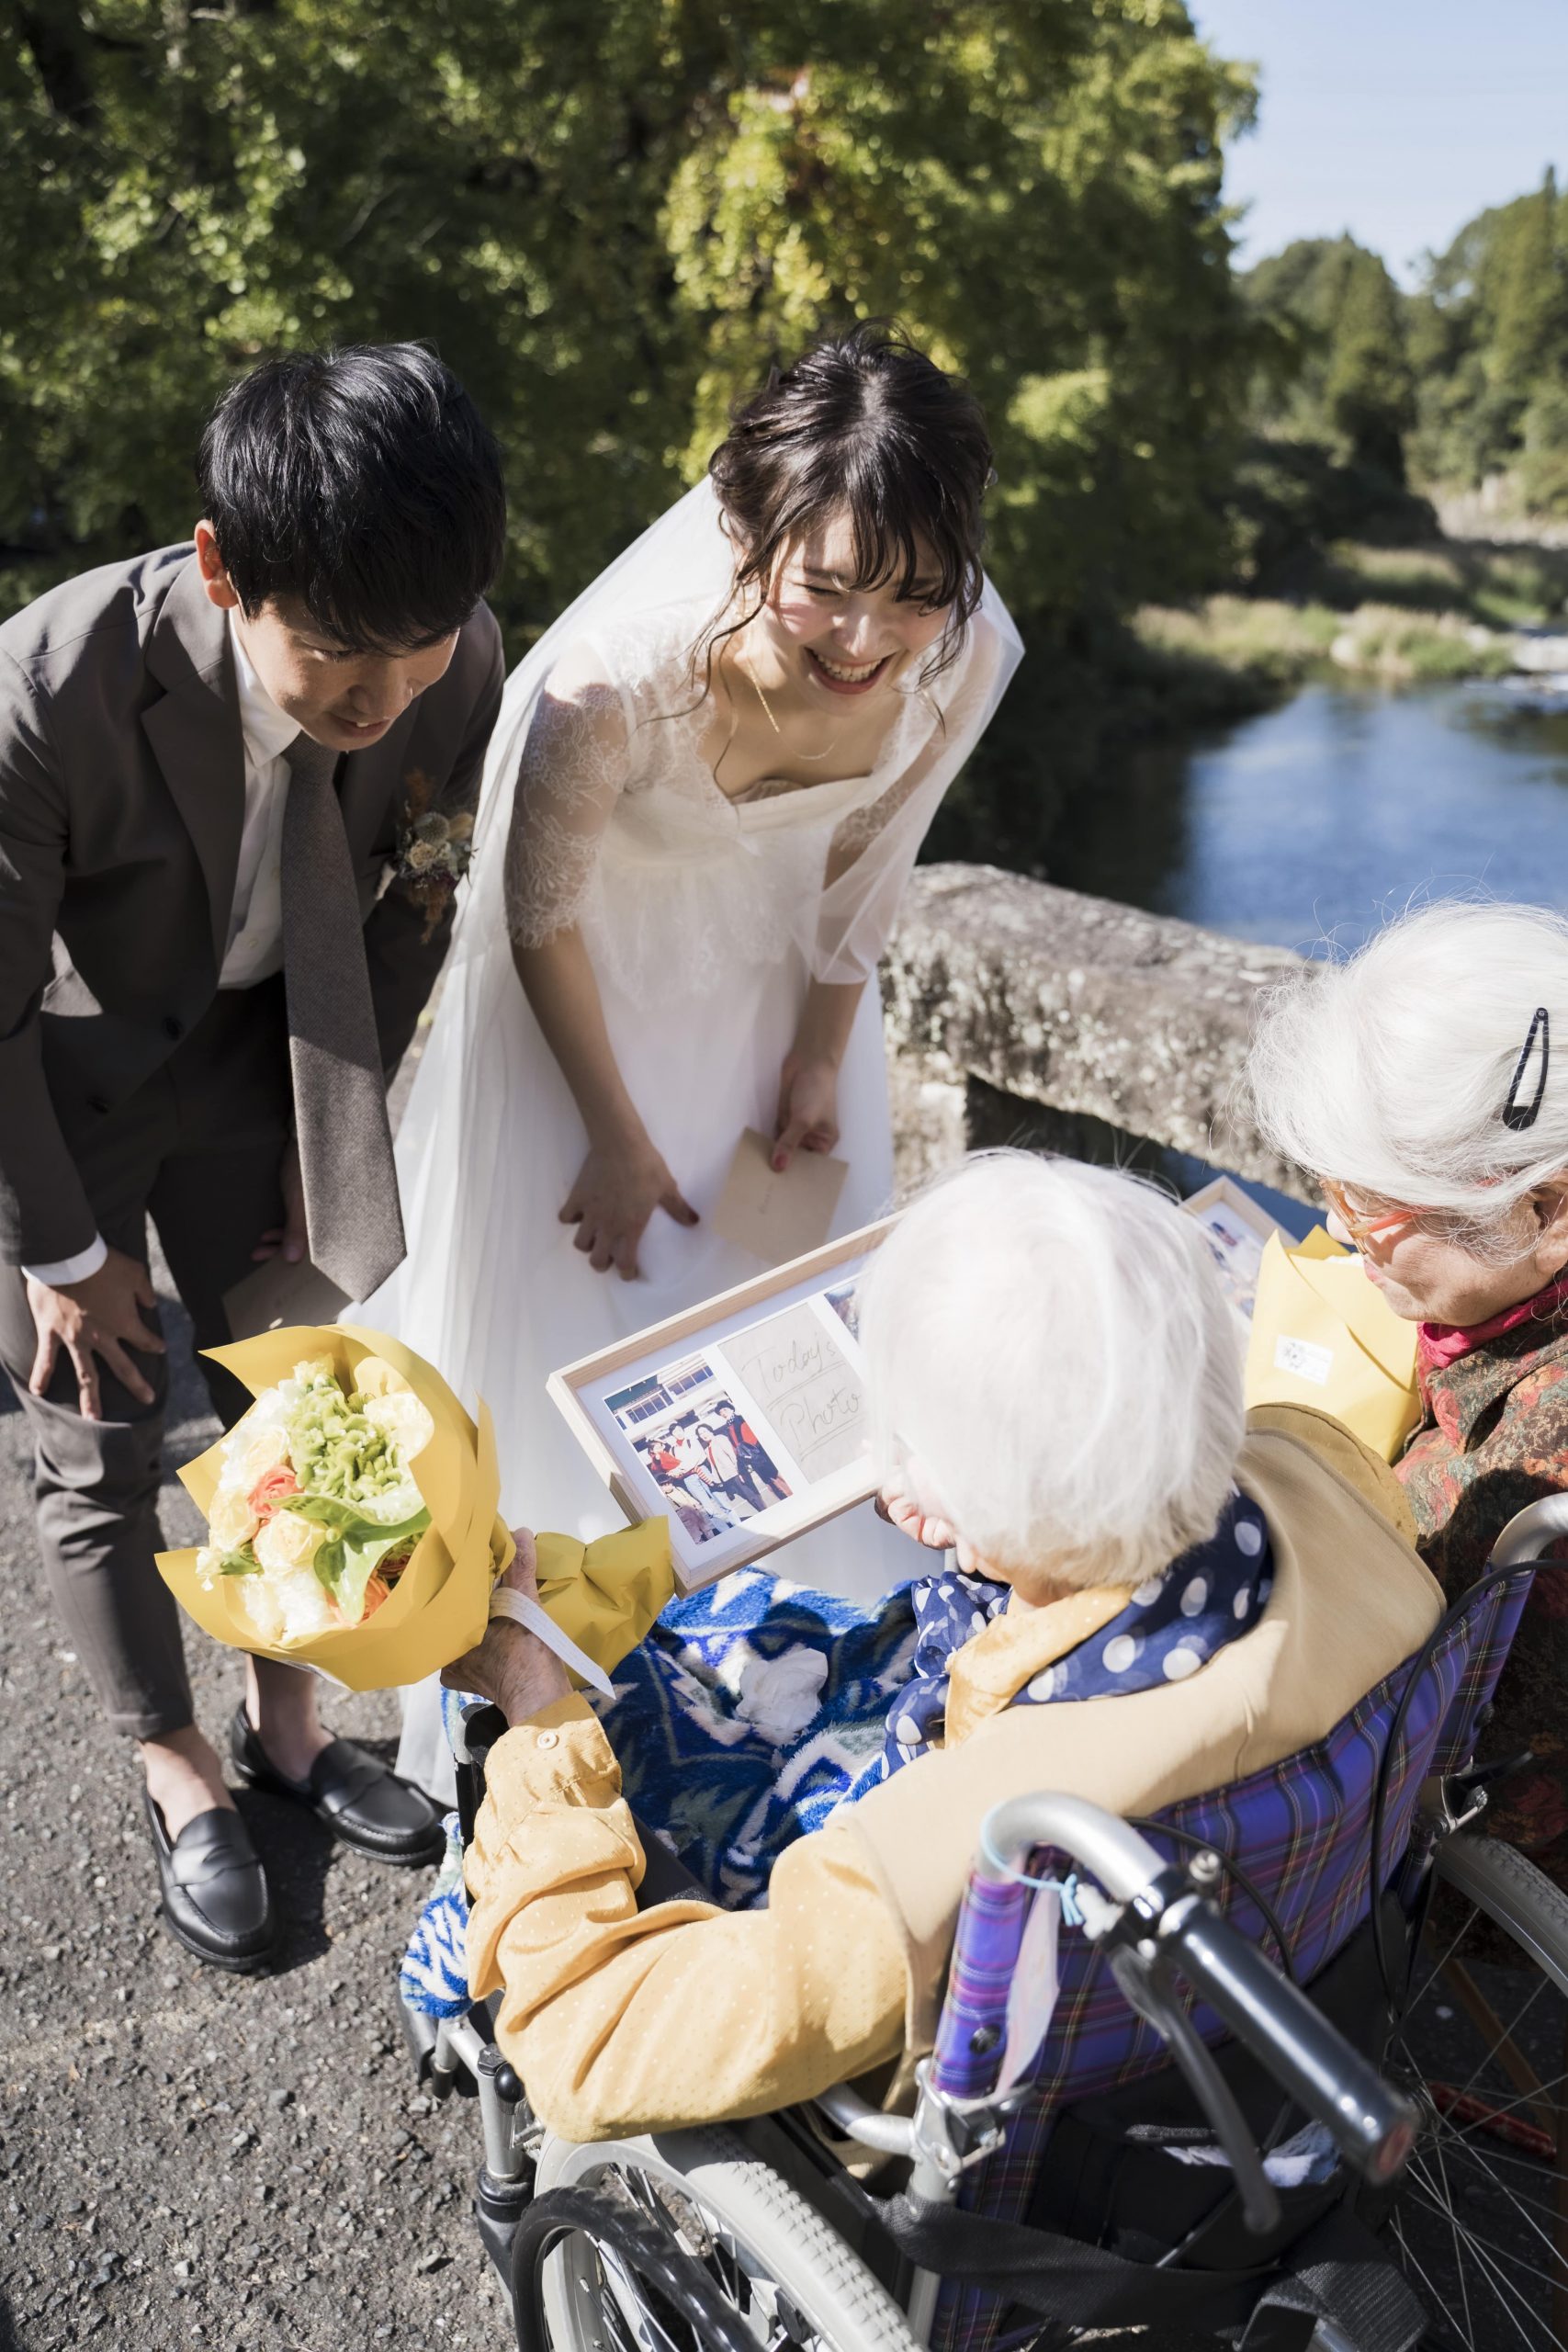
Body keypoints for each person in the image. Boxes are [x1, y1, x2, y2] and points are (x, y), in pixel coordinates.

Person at [439, 1153, 1439, 2143]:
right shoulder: (1329, 1474)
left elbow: (596, 2046)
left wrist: (533, 1708)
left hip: (993, 2060)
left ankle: (443, 1963)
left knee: (612, 1671)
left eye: (923, 1460)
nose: (900, 1492)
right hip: (1286, 1929)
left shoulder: (960, 1849)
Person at [374, 324, 1023, 1797]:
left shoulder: (963, 653)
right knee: (579, 1331)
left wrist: (814, 1050)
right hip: (587, 1016)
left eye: (911, 595)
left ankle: (774, 1673)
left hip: (765, 1000)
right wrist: (611, 1132)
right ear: (748, 531)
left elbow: (874, 854)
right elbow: (535, 921)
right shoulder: (608, 691)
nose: (865, 641)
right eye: (828, 588)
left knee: (769, 1334)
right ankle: (543, 1694)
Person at [0, 343, 506, 1970]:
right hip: (58, 1089)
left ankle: (292, 1732)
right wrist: (64, 1259)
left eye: (416, 659)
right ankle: (180, 1768)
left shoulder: (458, 660)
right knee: (105, 1440)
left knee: (298, 1400)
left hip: (262, 1064)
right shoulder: (49, 684)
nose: (383, 707)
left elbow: (410, 908)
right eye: (339, 663)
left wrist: (333, 1113)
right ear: (224, 570)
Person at [1247, 899, 1568, 1874]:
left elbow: (1373, 1702)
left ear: (1541, 1204)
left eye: (1373, 1200)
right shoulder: (1513, 1305)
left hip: (1469, 1846)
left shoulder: (1522, 1463)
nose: (1342, 1231)